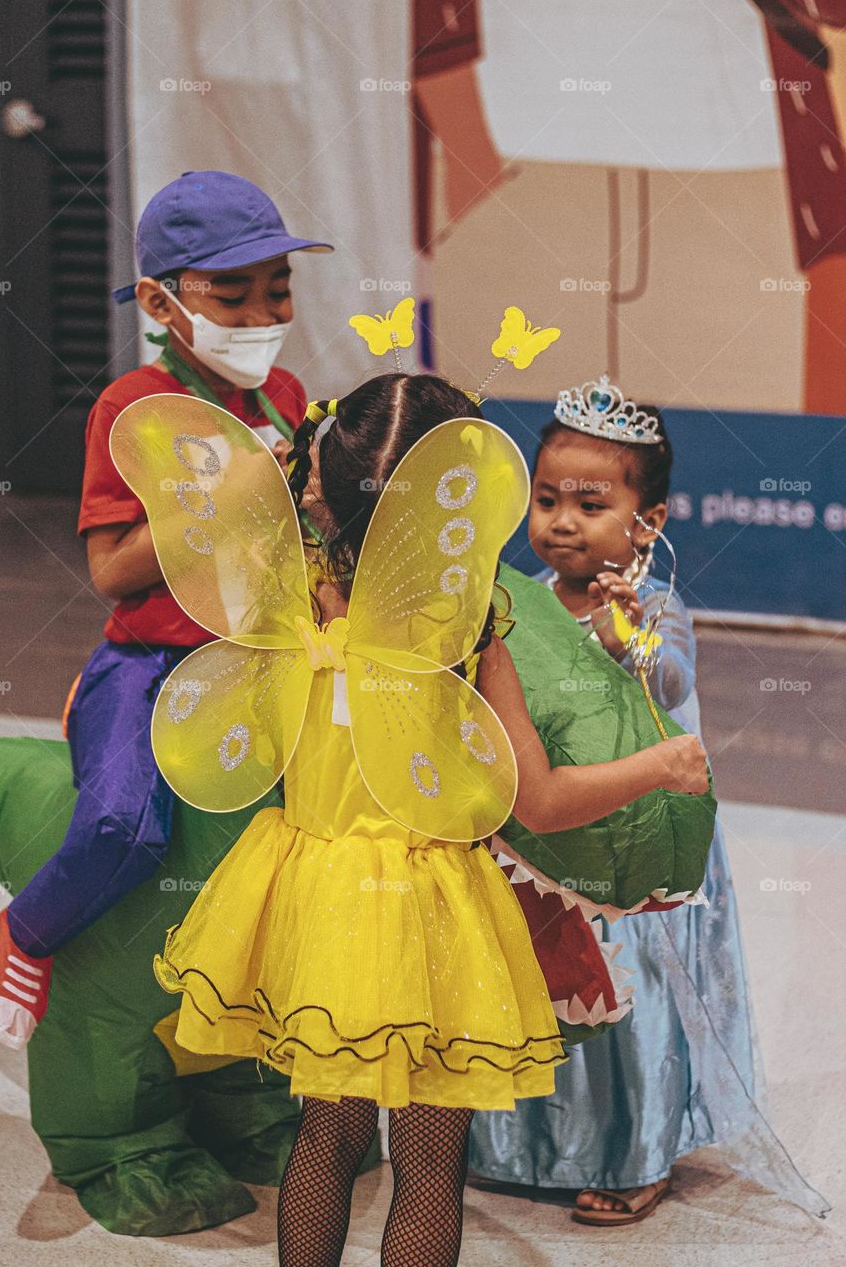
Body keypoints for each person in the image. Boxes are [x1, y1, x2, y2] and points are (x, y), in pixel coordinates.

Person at [143, 372, 710, 1266]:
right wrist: (663, 765)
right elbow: (540, 801)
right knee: (428, 1165)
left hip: (316, 894)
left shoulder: (282, 594)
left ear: (322, 483)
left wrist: (297, 472)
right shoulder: (469, 631)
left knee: (325, 1140)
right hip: (427, 908)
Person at [0, 170, 332, 1049]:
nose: (261, 316)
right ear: (165, 306)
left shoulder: (283, 396)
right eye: (233, 296)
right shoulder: (129, 409)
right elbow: (111, 573)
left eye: (277, 291)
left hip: (266, 653)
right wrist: (216, 499)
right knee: (120, 824)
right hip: (155, 661)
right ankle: (20, 933)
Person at [468, 376, 760, 1225]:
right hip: (546, 839)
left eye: (590, 503)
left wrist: (623, 635)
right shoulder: (519, 600)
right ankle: (524, 1146)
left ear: (649, 521)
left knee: (633, 1004)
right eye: (547, 498)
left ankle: (638, 1152)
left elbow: (669, 681)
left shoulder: (656, 607)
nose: (562, 520)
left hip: (632, 846)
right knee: (548, 989)